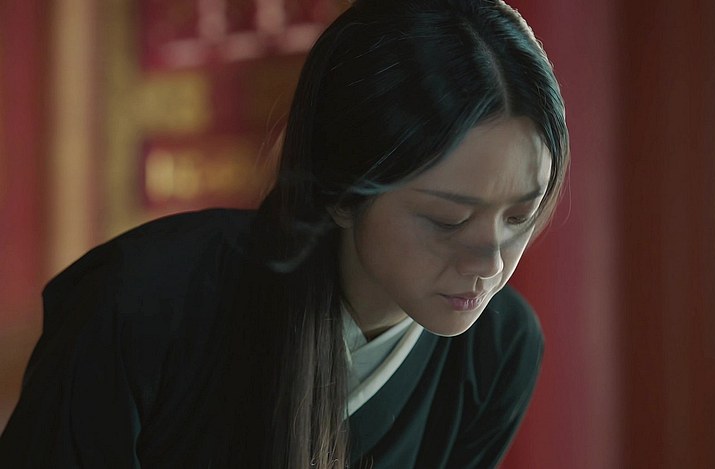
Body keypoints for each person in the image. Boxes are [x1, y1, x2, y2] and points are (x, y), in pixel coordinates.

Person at [0, 0, 569, 467]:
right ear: (343, 190)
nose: (490, 262)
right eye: (447, 219)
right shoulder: (142, 304)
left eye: (519, 217)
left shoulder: (499, 350)